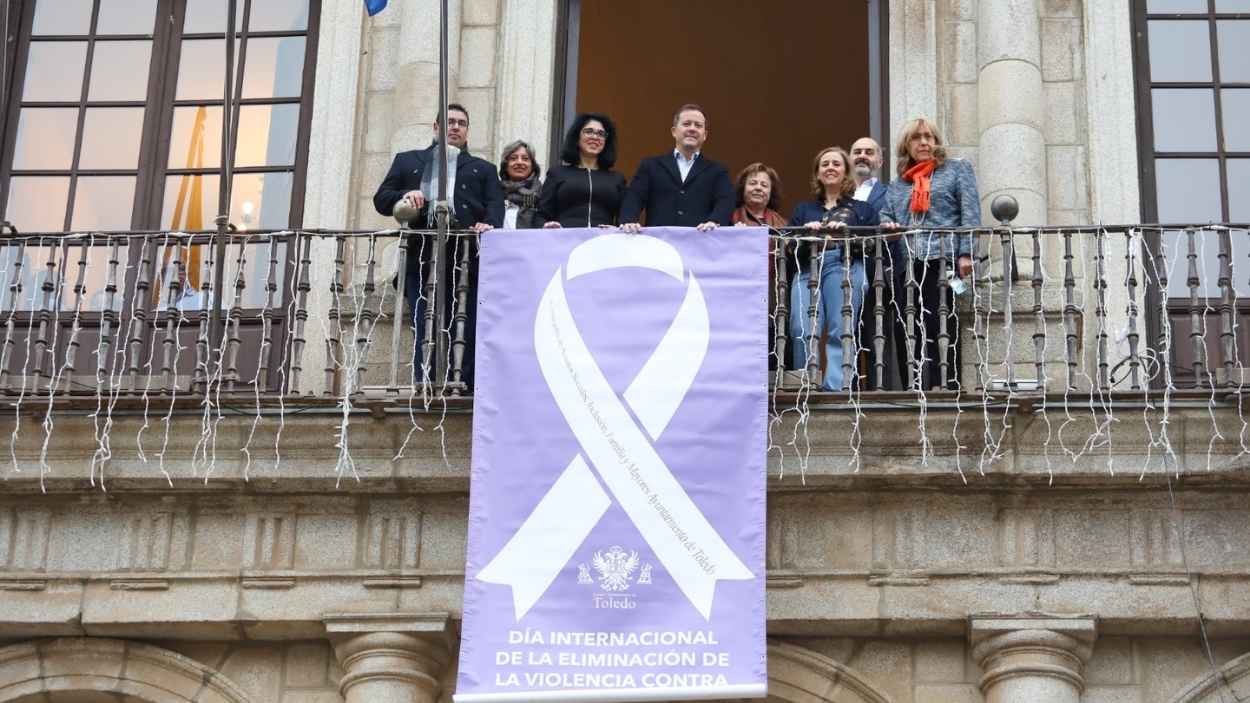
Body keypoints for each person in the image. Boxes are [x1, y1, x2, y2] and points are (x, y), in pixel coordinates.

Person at [372, 103, 504, 388]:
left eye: (461, 123)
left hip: (466, 258)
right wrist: (407, 194)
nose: (455, 127)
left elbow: (495, 209)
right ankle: (426, 384)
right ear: (436, 128)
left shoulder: (484, 169)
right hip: (422, 254)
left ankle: (463, 385)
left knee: (465, 323)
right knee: (424, 321)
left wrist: (487, 224)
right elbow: (381, 199)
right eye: (449, 122)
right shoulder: (408, 161)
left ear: (467, 131)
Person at [879, 117, 979, 391]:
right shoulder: (898, 184)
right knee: (908, 324)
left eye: (929, 137)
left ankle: (944, 383)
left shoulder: (956, 170)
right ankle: (915, 384)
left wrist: (966, 253)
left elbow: (969, 213)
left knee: (941, 320)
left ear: (936, 142)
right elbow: (886, 214)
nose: (923, 142)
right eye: (916, 138)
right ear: (906, 145)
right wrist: (887, 225)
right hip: (908, 261)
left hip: (942, 256)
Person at [788, 147, 880, 391]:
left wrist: (845, 235)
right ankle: (805, 385)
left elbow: (872, 245)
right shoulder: (803, 210)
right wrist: (807, 234)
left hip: (843, 264)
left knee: (841, 328)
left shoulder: (862, 209)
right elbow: (789, 250)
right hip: (809, 267)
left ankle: (836, 387)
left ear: (845, 172)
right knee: (801, 328)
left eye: (836, 164)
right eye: (825, 164)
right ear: (818, 173)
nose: (830, 167)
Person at [618, 104, 734, 232]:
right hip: (660, 244)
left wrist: (715, 221)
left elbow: (725, 201)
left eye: (698, 125)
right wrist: (628, 220)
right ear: (674, 131)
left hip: (700, 244)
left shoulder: (717, 171)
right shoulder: (651, 166)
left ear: (705, 135)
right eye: (686, 124)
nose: (692, 129)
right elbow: (635, 197)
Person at [850, 136, 908, 390]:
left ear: (880, 160)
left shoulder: (890, 192)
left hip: (879, 270)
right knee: (845, 332)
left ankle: (877, 390)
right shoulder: (836, 194)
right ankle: (846, 390)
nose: (863, 155)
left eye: (869, 152)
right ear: (849, 159)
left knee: (877, 334)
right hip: (844, 270)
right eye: (857, 151)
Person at [732, 163, 788, 371]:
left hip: (771, 292)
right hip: (738, 294)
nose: (758, 188)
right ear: (743, 188)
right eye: (752, 183)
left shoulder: (781, 222)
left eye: (764, 185)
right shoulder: (729, 218)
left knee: (769, 339)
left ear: (771, 192)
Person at [537, 113, 627, 228]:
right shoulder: (557, 173)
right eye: (589, 131)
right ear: (577, 137)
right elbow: (541, 215)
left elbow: (625, 219)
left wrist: (617, 230)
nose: (595, 137)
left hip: (604, 242)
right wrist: (546, 226)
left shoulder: (617, 178)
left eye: (601, 134)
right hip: (565, 241)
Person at [498, 140, 543, 229]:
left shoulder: (543, 193)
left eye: (525, 159)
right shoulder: (495, 191)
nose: (519, 162)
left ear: (533, 165)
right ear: (506, 165)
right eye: (513, 158)